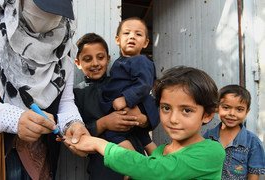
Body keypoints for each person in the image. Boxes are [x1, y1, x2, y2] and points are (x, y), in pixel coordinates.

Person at [0, 0, 88, 179]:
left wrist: (73, 124)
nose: (50, 17)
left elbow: (65, 102)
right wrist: (15, 119)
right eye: (43, 6)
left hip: (40, 158)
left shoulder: (63, 43)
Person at [67, 66, 226, 180]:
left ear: (207, 115)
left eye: (186, 110)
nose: (173, 119)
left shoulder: (211, 151)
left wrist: (99, 144)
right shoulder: (160, 151)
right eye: (166, 108)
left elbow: (154, 171)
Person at [74, 33, 156, 180]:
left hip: (135, 156)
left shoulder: (120, 84)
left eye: (100, 57)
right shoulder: (76, 95)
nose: (95, 63)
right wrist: (104, 123)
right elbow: (78, 132)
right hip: (102, 165)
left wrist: (143, 119)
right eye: (87, 59)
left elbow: (147, 103)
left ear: (108, 59)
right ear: (78, 62)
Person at [100, 17, 159, 154]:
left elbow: (144, 84)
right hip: (127, 106)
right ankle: (158, 159)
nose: (132, 36)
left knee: (112, 135)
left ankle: (133, 161)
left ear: (145, 43)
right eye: (127, 33)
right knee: (144, 138)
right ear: (117, 39)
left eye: (138, 34)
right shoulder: (120, 62)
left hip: (135, 104)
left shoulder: (141, 60)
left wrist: (126, 99)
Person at [204, 84, 265, 179]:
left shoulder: (253, 142)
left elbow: (253, 175)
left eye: (239, 109)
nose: (232, 114)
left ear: (247, 112)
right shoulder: (208, 137)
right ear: (217, 108)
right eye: (226, 107)